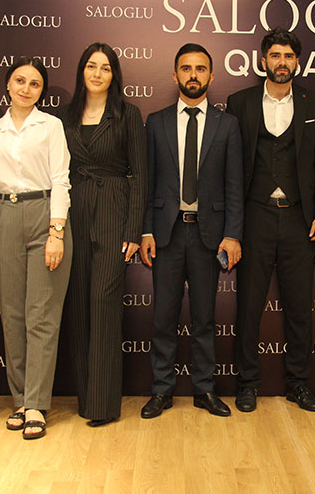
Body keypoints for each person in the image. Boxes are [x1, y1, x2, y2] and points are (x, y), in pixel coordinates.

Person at [227, 27, 315, 413]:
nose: (282, 62)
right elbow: (231, 166)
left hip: (298, 219)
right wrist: (232, 225)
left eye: (288, 56)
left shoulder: (313, 104)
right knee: (249, 305)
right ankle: (247, 384)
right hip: (254, 216)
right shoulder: (239, 103)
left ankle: (298, 384)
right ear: (263, 61)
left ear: (297, 62)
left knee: (300, 306)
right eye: (275, 55)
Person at [139, 43, 243, 418]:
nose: (193, 75)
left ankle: (205, 389)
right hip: (166, 235)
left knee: (204, 319)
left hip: (208, 236)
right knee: (163, 318)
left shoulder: (227, 125)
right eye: (186, 68)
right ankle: (161, 390)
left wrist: (233, 234)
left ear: (211, 76)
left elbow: (234, 185)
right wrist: (146, 231)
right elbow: (147, 182)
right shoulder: (157, 122)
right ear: (175, 75)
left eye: (200, 69)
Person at [0, 57, 72, 439]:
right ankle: (20, 399)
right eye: (19, 80)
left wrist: (56, 232)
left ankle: (36, 403)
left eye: (34, 84)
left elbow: (61, 179)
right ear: (7, 84)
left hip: (44, 214)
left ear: (41, 91)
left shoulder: (50, 126)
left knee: (42, 316)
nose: (25, 88)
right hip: (1, 217)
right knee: (12, 315)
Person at [60, 42, 146, 427]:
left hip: (114, 209)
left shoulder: (128, 114)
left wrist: (133, 229)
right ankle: (85, 398)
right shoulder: (64, 116)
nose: (98, 73)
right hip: (74, 210)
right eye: (91, 66)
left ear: (115, 75)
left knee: (103, 303)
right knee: (79, 304)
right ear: (82, 71)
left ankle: (103, 404)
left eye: (106, 67)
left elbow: (140, 174)